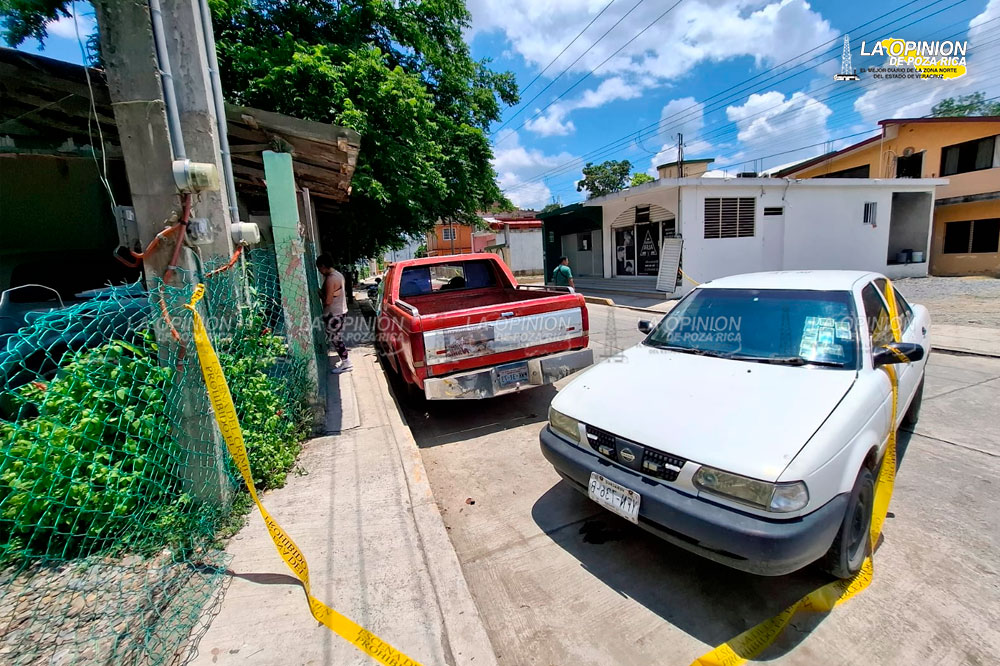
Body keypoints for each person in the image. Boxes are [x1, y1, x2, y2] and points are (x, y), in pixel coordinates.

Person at [316, 254, 351, 373]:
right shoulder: (339, 275)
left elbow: (328, 301)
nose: (320, 272)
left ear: (323, 266)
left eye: (319, 269)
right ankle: (345, 361)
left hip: (333, 313)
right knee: (336, 338)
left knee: (336, 339)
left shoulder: (331, 279)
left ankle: (346, 362)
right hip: (340, 311)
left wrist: (320, 294)